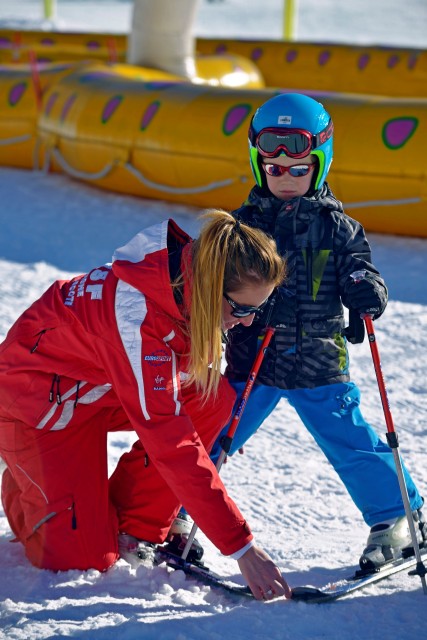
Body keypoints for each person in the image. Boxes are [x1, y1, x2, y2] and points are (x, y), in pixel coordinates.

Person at [0, 210, 291, 601]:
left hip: (93, 390)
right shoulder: (137, 316)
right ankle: (25, 485)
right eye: (241, 309)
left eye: (260, 308)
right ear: (209, 288)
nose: (250, 320)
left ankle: (134, 526)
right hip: (37, 409)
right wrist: (241, 546)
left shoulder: (185, 283)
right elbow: (172, 441)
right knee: (83, 557)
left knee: (211, 397)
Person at [204, 93, 425, 572]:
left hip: (319, 358)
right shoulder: (243, 226)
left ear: (319, 165)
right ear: (258, 164)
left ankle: (397, 518)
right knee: (215, 433)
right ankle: (171, 512)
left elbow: (363, 271)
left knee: (350, 439)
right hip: (253, 356)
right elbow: (213, 278)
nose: (286, 178)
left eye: (298, 169)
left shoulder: (337, 229)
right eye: (274, 169)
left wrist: (366, 290)